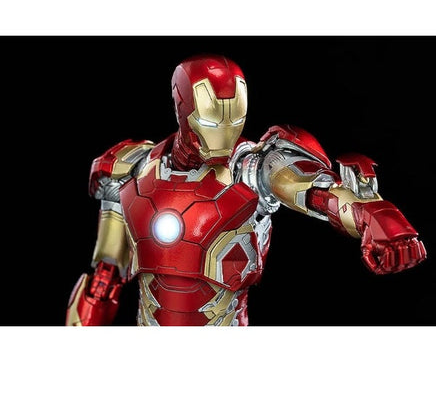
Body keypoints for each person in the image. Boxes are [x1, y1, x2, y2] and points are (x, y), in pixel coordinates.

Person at [66, 54, 426, 326]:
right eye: (211, 119)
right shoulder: (133, 166)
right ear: (181, 107)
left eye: (235, 119)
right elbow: (106, 274)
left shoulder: (251, 167)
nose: (224, 132)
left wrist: (372, 215)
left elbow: (313, 189)